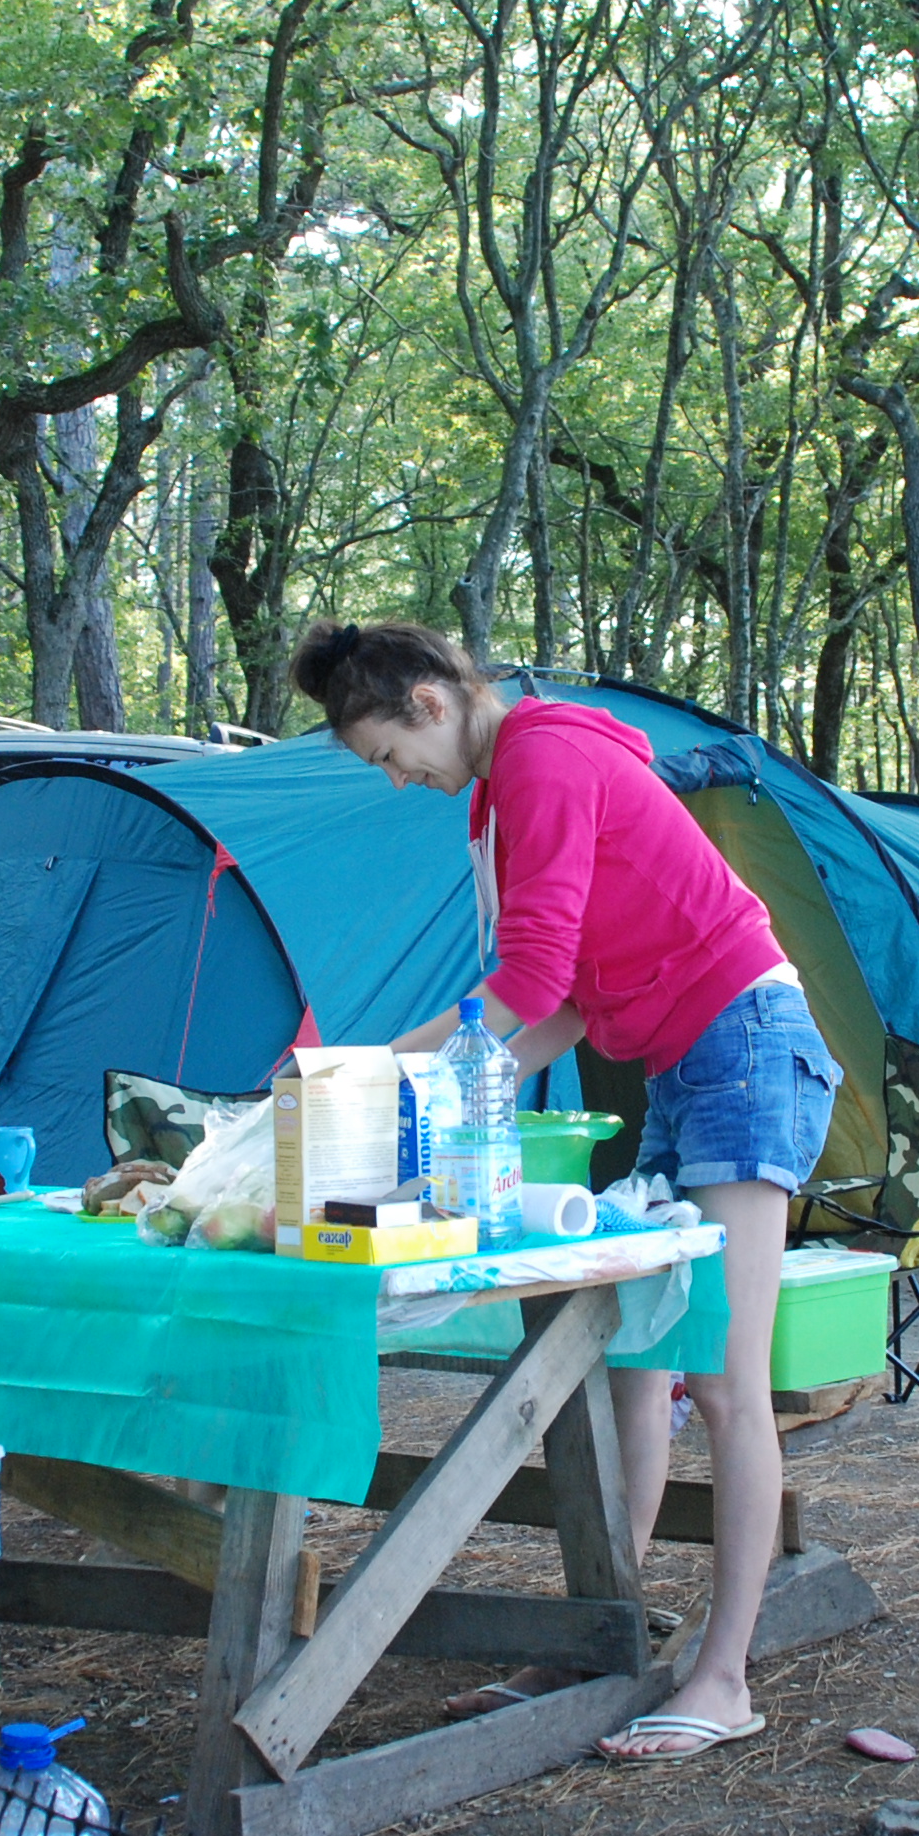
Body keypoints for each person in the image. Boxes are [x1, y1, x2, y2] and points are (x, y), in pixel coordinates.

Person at [293, 618, 840, 1763]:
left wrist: (382, 1079)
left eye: (390, 752)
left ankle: (724, 1674)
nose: (399, 780)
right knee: (634, 1366)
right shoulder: (506, 793)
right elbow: (569, 1008)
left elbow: (529, 980)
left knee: (723, 1377)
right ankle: (602, 1638)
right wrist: (389, 1091)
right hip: (681, 1059)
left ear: (432, 701)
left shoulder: (542, 758)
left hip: (744, 1047)